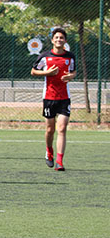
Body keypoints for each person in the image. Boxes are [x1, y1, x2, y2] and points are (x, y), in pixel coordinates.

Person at [31, 27, 76, 171]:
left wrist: (71, 76)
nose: (59, 40)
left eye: (61, 38)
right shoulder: (45, 56)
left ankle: (60, 161)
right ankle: (49, 151)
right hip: (49, 97)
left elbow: (73, 71)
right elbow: (33, 71)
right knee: (50, 129)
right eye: (56, 38)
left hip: (64, 97)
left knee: (62, 128)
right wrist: (47, 72)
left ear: (65, 41)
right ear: (52, 40)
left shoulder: (70, 57)